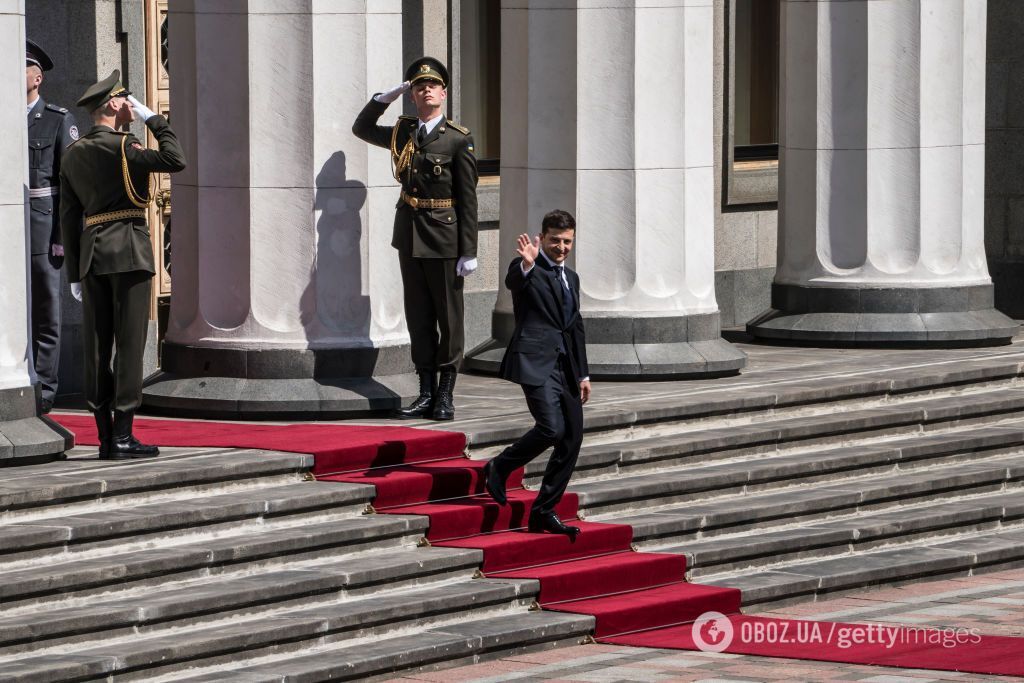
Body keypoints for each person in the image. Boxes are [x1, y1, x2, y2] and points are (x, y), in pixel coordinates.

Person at [59, 70, 186, 460]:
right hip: (129, 251)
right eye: (126, 98)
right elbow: (175, 159)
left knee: (97, 348)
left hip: (92, 255)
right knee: (129, 345)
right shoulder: (125, 146)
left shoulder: (73, 153)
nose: (130, 103)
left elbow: (69, 215)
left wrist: (74, 272)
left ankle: (103, 437)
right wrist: (155, 119)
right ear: (113, 105)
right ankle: (124, 435)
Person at [352, 56, 478, 421]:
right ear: (413, 96)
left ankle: (445, 395)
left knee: (448, 320)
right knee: (419, 318)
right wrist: (382, 99)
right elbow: (361, 128)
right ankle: (425, 392)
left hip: (445, 237)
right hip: (410, 235)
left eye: (432, 85)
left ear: (444, 92)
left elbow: (468, 199)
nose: (426, 90)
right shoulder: (404, 132)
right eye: (419, 87)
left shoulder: (457, 139)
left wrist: (468, 249)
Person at [482, 210, 591, 538]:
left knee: (572, 438)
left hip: (567, 367)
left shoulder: (571, 278)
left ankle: (544, 511)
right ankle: (500, 465)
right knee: (551, 429)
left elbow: (575, 327)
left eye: (567, 241)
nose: (561, 247)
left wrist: (583, 374)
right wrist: (528, 263)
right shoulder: (527, 267)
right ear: (542, 238)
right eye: (555, 240)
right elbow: (515, 282)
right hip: (536, 362)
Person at [26, 39, 78, 413]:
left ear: (37, 77)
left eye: (20, 68)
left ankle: (44, 391)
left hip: (44, 228)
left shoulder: (58, 119)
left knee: (46, 310)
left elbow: (70, 184)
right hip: (10, 226)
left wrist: (62, 237)